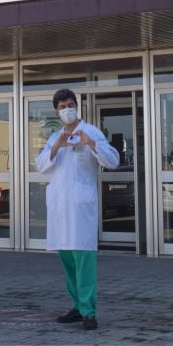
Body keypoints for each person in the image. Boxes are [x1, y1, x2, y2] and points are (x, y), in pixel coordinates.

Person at [35, 88, 119, 330]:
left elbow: (112, 161)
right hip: (61, 207)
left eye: (70, 105)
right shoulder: (55, 136)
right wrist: (57, 147)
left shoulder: (91, 131)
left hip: (81, 207)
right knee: (68, 259)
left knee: (84, 258)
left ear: (77, 106)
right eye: (62, 107)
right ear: (56, 111)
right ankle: (76, 306)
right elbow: (41, 166)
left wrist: (91, 144)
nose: (66, 110)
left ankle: (89, 311)